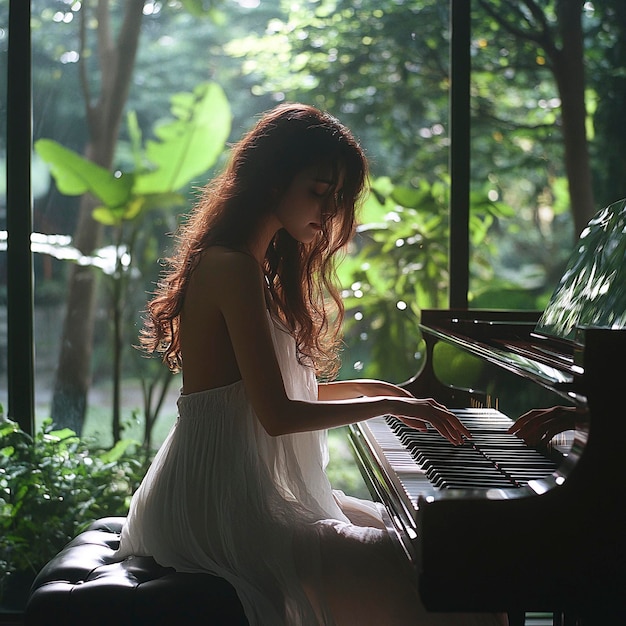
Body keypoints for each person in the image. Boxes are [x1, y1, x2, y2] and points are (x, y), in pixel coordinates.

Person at [115, 103, 506, 626]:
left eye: (336, 197)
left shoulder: (252, 266)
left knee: (445, 557)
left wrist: (387, 391)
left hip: (233, 492)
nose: (328, 211)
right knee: (452, 594)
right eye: (319, 192)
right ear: (272, 178)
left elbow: (274, 400)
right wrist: (384, 403)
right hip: (219, 508)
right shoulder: (231, 266)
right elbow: (278, 415)